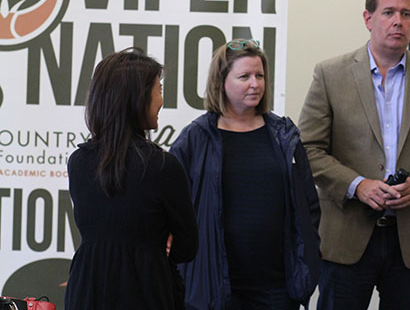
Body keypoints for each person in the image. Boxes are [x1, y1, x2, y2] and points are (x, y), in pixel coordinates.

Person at [298, 0, 410, 310]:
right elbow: (308, 149)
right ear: (368, 18)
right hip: (345, 235)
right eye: (388, 12)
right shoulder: (330, 74)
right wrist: (357, 185)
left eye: (406, 14)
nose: (398, 22)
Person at [169, 39, 321, 310]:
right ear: (221, 82)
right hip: (216, 288)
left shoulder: (283, 134)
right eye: (244, 77)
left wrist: (307, 256)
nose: (255, 84)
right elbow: (170, 205)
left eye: (260, 75)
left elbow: (308, 204)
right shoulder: (196, 138)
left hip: (276, 287)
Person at [65, 48, 198, 309]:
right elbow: (187, 247)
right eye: (158, 89)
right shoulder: (162, 166)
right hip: (145, 292)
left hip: (86, 292)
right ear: (137, 98)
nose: (161, 100)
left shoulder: (78, 162)